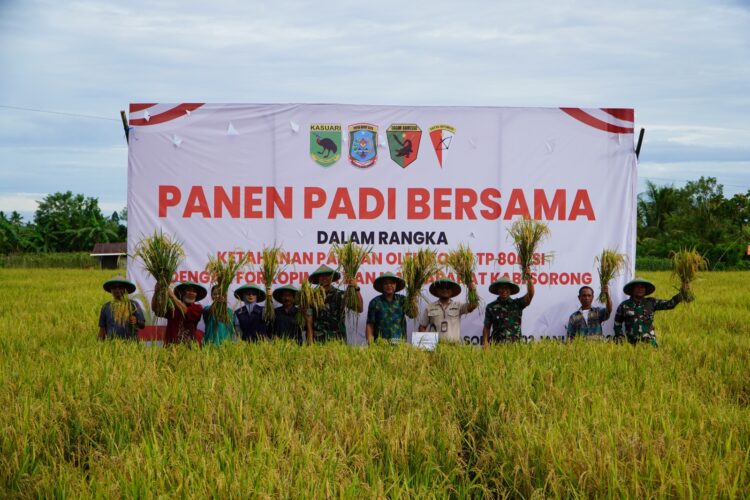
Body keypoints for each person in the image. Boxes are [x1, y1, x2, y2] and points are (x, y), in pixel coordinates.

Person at [614, 278, 686, 346]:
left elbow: (670, 304)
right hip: (631, 345)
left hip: (650, 344)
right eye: (637, 287)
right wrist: (621, 338)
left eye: (642, 287)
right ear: (632, 289)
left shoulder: (651, 302)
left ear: (645, 290)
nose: (640, 289)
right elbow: (617, 324)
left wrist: (682, 292)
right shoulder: (624, 306)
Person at [305, 264, 362, 344]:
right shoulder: (311, 298)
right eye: (322, 276)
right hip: (318, 341)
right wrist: (310, 344)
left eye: (327, 275)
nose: (325, 278)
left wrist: (356, 288)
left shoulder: (341, 295)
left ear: (332, 278)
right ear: (317, 278)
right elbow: (309, 322)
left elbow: (359, 308)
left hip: (338, 341)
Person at [418, 278, 478, 343]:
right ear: (437, 291)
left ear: (452, 291)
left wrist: (472, 290)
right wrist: (427, 342)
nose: (445, 289)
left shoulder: (458, 306)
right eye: (442, 287)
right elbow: (422, 327)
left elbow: (472, 306)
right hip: (436, 346)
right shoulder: (430, 307)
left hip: (454, 347)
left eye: (448, 287)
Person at [482, 272, 535, 345]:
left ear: (510, 290)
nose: (504, 290)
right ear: (498, 290)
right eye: (501, 288)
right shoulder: (491, 307)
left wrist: (529, 279)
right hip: (497, 347)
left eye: (506, 288)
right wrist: (485, 343)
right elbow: (487, 327)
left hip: (516, 347)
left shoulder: (517, 304)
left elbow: (530, 295)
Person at [366, 272, 414, 344]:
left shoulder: (403, 300)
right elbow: (370, 325)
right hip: (380, 344)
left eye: (392, 283)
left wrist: (413, 298)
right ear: (382, 286)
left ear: (396, 285)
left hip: (400, 344)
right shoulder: (375, 302)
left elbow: (412, 315)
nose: (389, 285)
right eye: (386, 283)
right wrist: (370, 344)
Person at [154, 281, 206, 345]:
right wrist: (156, 292)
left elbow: (185, 311)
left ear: (196, 295)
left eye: (194, 291)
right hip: (171, 346)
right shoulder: (172, 306)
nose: (191, 293)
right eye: (188, 290)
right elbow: (157, 310)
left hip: (189, 347)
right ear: (182, 292)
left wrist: (172, 296)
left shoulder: (198, 308)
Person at [98, 276, 145, 340]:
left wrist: (136, 321)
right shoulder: (106, 307)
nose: (117, 290)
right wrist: (99, 344)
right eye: (114, 287)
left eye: (120, 287)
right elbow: (102, 329)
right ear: (111, 290)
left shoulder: (133, 305)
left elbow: (142, 325)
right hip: (111, 344)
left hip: (131, 343)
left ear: (125, 289)